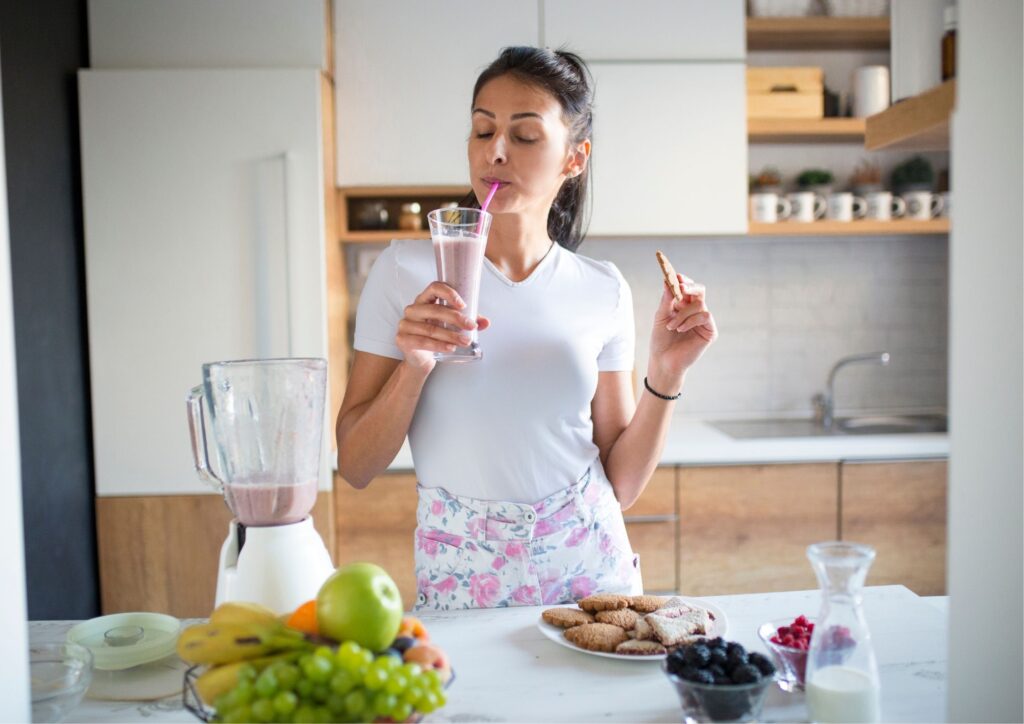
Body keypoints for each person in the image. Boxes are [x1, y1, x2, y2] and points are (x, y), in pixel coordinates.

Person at [336, 47, 717, 610]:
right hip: (463, 572)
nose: (495, 151)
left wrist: (666, 373)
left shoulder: (603, 287)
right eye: (482, 130)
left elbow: (624, 484)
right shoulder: (404, 272)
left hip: (590, 565)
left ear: (574, 157)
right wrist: (413, 367)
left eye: (525, 135)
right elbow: (355, 466)